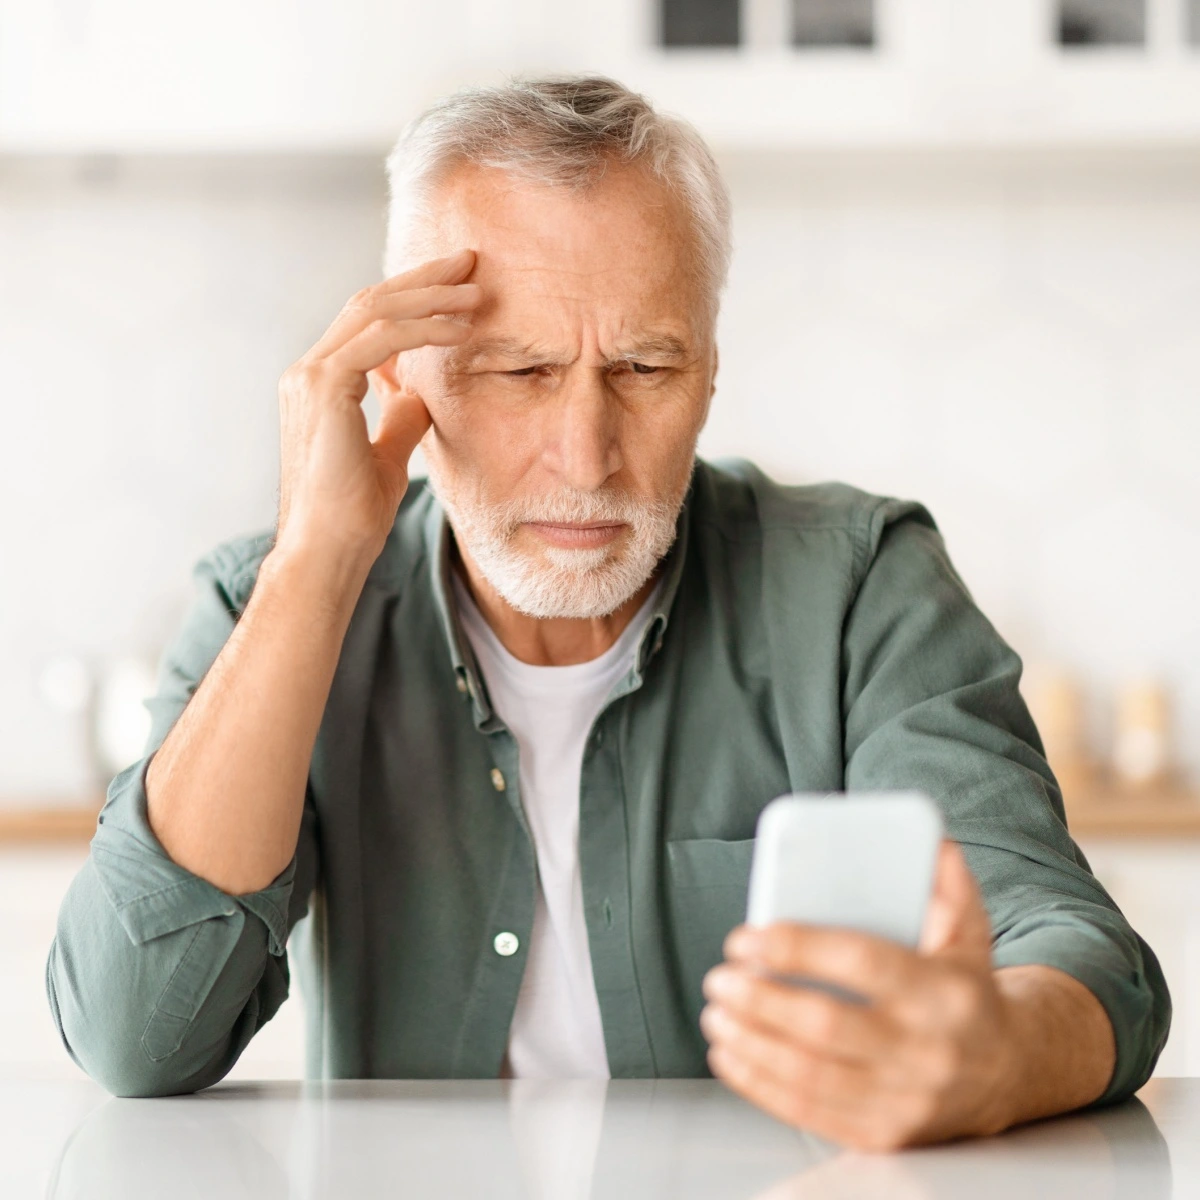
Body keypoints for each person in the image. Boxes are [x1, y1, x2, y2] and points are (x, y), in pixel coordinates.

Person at [47, 74, 1169, 1150]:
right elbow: (134, 1036)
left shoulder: (860, 587)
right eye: (519, 372)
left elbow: (1074, 950)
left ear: (711, 371)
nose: (587, 460)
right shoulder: (272, 600)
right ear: (403, 377)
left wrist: (996, 1053)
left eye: (643, 367)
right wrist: (315, 563)